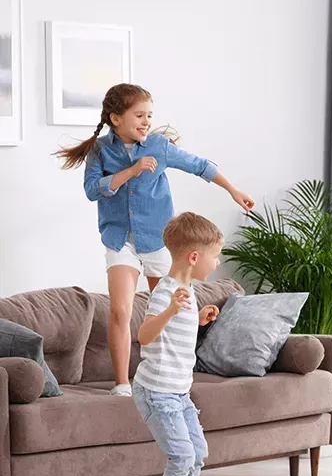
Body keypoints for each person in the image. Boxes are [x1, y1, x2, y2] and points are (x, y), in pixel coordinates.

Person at [55, 83, 254, 396]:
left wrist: (233, 190)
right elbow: (92, 190)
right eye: (139, 114)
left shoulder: (158, 146)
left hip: (159, 241)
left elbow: (200, 166)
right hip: (120, 239)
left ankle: (173, 379)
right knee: (121, 310)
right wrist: (131, 172)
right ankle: (122, 384)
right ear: (115, 118)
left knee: (177, 306)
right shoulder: (100, 150)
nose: (146, 120)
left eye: (149, 114)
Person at [132, 211, 224, 476]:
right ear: (194, 257)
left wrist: (197, 318)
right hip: (157, 392)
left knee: (197, 452)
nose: (217, 263)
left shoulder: (187, 291)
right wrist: (171, 310)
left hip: (179, 393)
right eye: (215, 256)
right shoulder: (165, 293)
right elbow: (145, 335)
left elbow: (175, 332)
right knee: (182, 455)